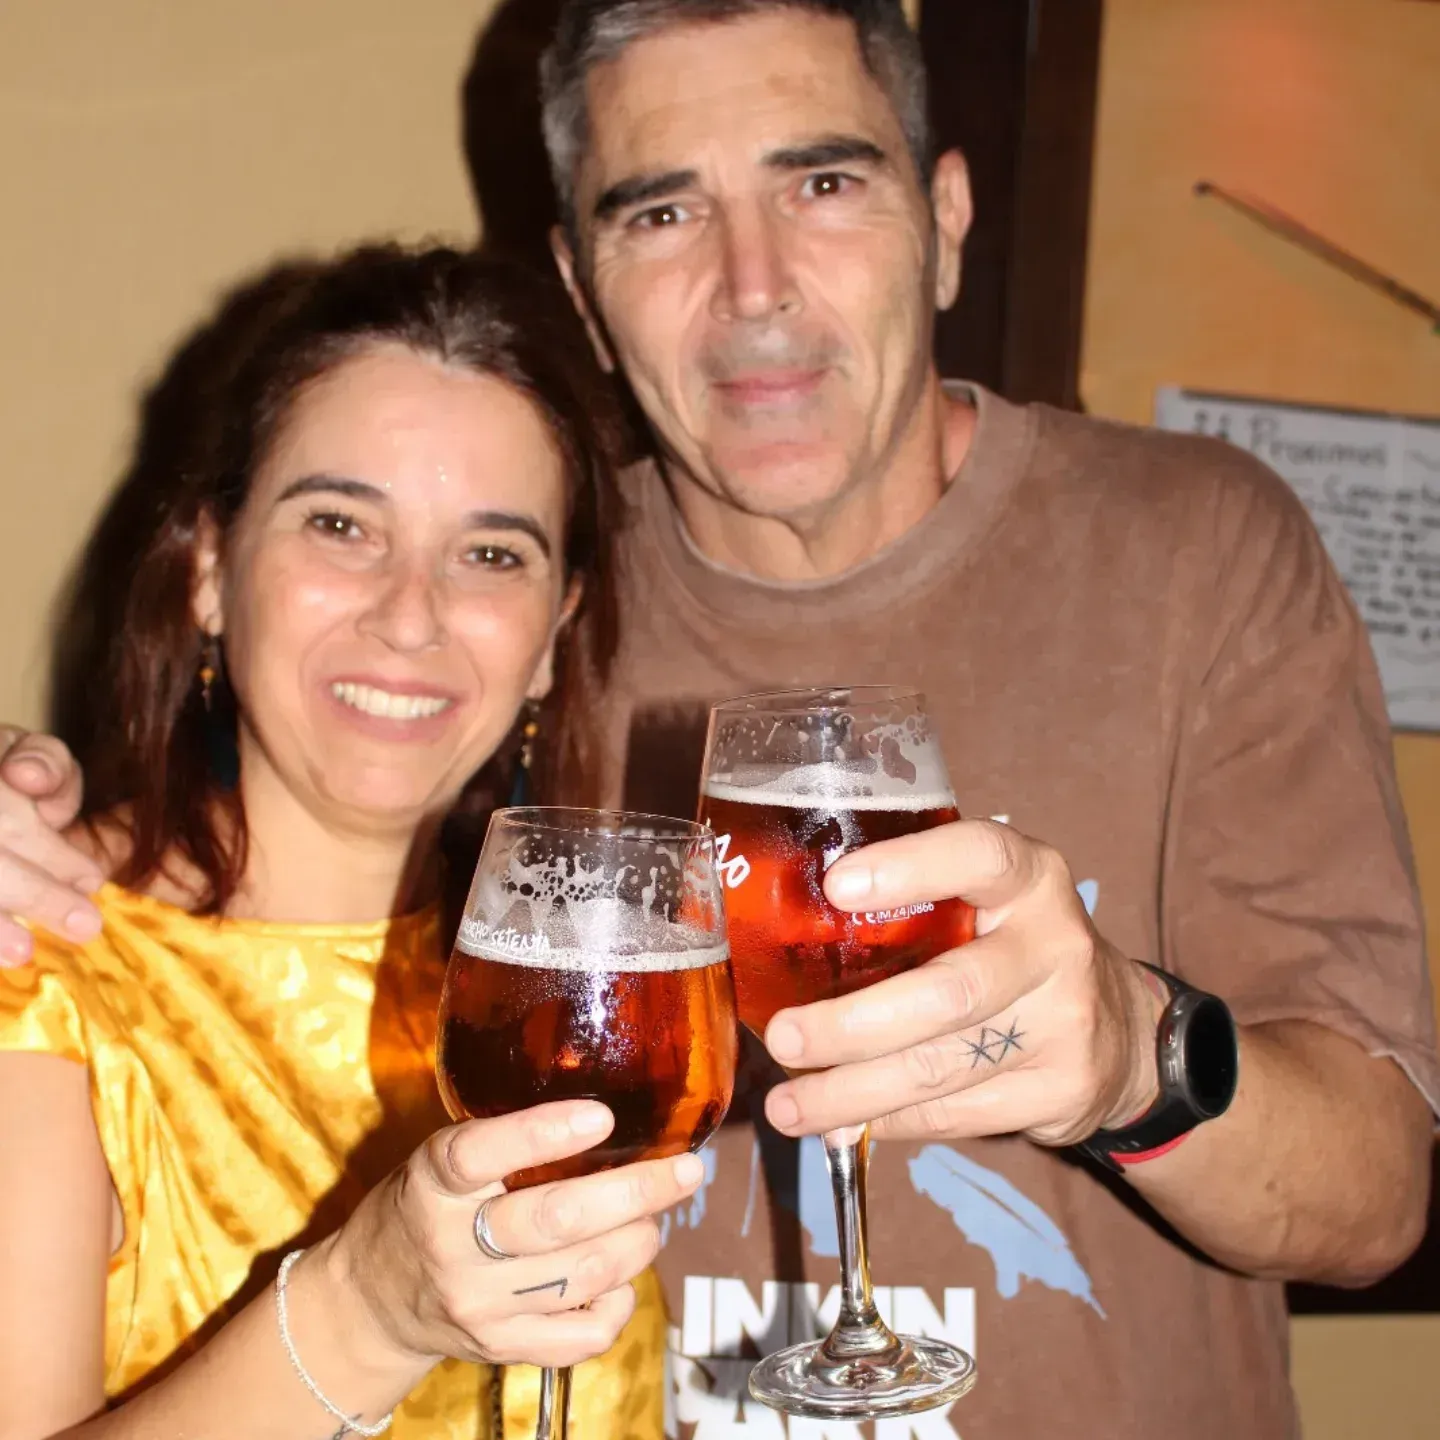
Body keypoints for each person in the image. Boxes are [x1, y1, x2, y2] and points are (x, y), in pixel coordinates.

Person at [1, 2, 1436, 1436]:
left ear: (946, 222)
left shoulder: (1194, 553)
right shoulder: (531, 594)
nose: (754, 286)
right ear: (582, 288)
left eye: (824, 182)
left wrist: (1131, 1057)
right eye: (664, 211)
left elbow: (1377, 1202)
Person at [0, 245, 701, 1440]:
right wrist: (363, 1312)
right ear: (208, 570)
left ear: (553, 632)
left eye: (492, 554)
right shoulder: (36, 971)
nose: (411, 613)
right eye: (340, 524)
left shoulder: (557, 993)